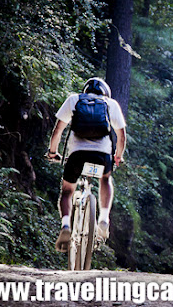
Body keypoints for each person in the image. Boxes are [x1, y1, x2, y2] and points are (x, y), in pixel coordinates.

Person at [47, 77, 127, 252]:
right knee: (105, 179)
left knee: (68, 191)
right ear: (105, 93)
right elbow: (121, 136)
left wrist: (53, 152)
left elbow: (58, 130)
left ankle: (66, 226)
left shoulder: (74, 100)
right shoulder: (111, 104)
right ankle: (104, 219)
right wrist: (117, 156)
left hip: (77, 156)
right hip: (102, 156)